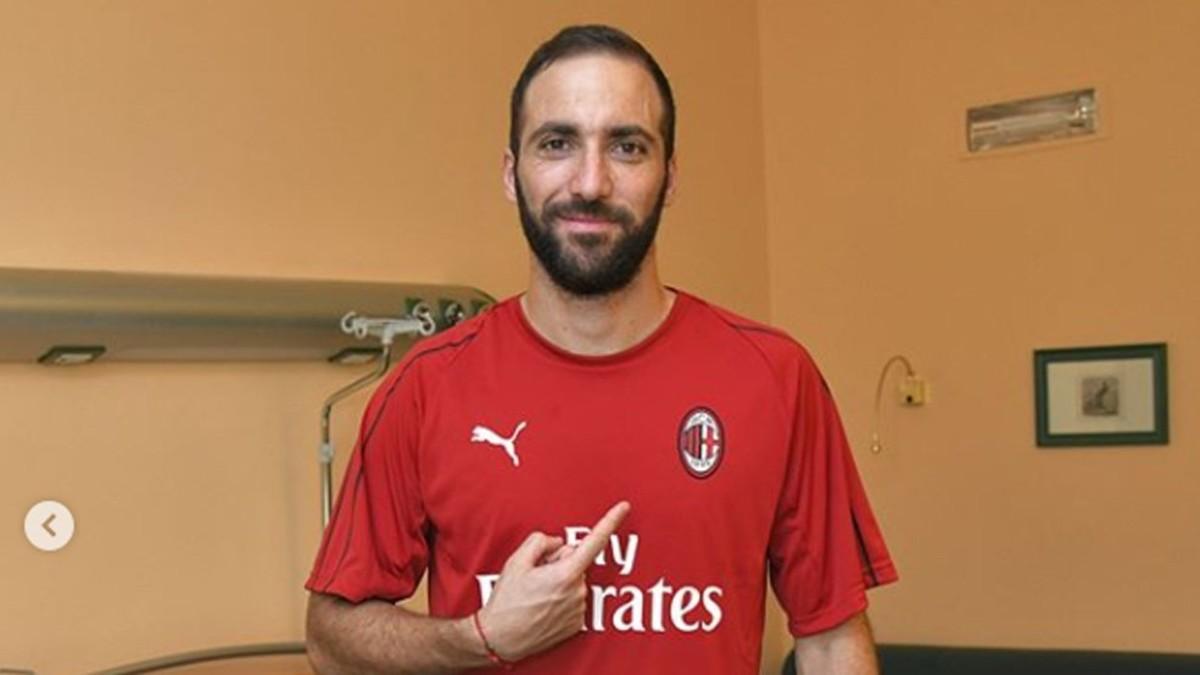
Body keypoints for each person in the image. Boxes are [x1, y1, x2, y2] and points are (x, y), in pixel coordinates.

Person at [305, 24, 897, 675]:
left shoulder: (776, 379)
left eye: (627, 147)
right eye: (557, 143)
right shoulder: (425, 388)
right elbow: (331, 642)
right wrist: (481, 635)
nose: (590, 181)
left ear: (669, 177)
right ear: (512, 172)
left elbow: (832, 639)